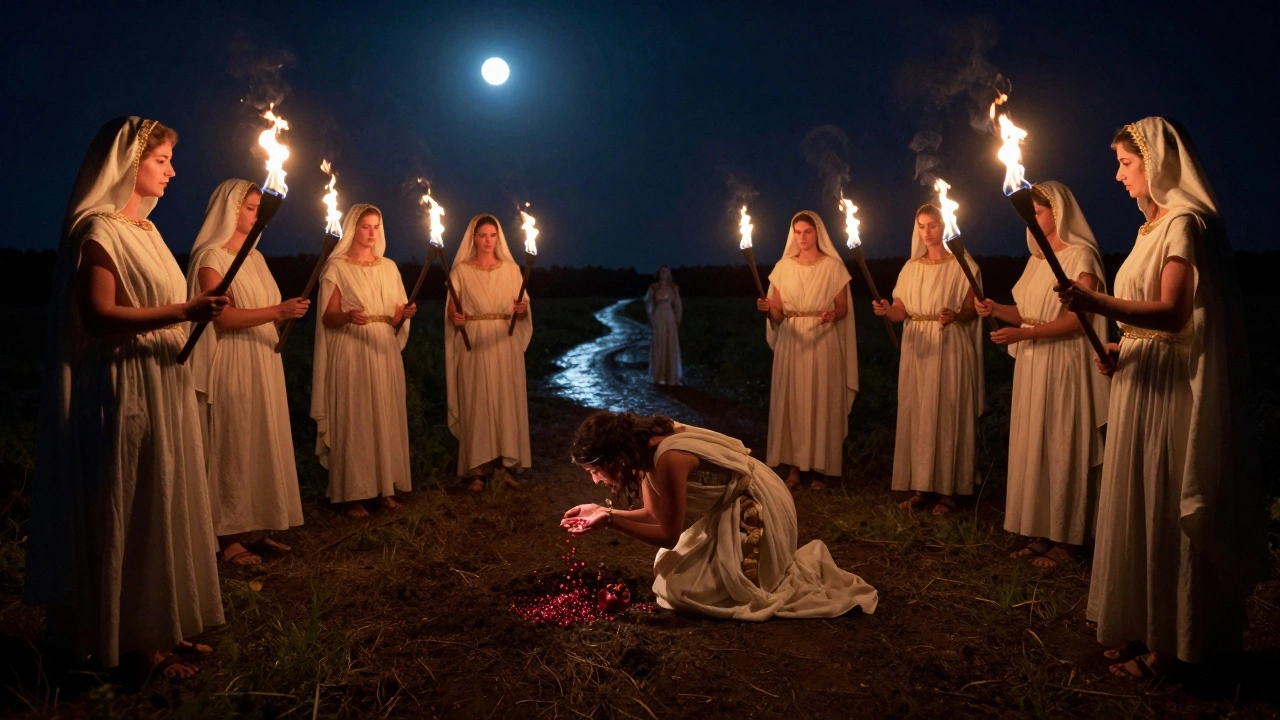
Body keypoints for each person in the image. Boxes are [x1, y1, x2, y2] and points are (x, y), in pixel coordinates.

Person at [1057, 118, 1268, 679]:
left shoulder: (1185, 225)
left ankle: (1176, 644)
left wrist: (1094, 301)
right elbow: (1145, 319)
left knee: (1163, 500)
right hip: (1141, 378)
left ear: (1158, 165)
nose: (1118, 174)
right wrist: (1120, 349)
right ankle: (1144, 624)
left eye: (1127, 163)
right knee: (1138, 501)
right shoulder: (1149, 231)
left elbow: (1176, 313)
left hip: (1171, 390)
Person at [25, 118, 226, 679]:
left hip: (161, 380)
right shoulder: (98, 231)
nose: (172, 170)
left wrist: (191, 317)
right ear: (128, 164)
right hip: (123, 384)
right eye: (161, 160)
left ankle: (160, 624)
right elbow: (99, 316)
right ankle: (134, 645)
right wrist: (185, 312)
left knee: (162, 496)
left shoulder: (150, 233)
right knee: (130, 501)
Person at [562, 411, 878, 619]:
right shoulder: (639, 449)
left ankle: (764, 560)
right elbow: (652, 513)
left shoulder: (668, 458)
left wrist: (612, 521)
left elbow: (668, 535)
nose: (596, 480)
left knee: (683, 591)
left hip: (756, 505)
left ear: (616, 457)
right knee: (667, 571)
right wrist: (604, 511)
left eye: (595, 470)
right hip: (730, 505)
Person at [975, 182, 1108, 567]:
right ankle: (1040, 531)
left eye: (1040, 212)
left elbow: (1077, 320)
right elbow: (1027, 311)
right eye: (1030, 213)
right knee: (1037, 444)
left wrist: (1025, 334)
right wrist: (996, 308)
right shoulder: (1036, 259)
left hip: (1064, 364)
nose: (1033, 219)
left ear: (1060, 213)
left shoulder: (1081, 256)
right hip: (1034, 364)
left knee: (1062, 443)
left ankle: (1067, 538)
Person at [186, 179, 308, 565]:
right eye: (251, 208)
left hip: (262, 361)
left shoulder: (254, 256)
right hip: (234, 361)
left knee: (260, 440)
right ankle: (228, 536)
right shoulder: (212, 257)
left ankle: (257, 529)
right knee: (234, 443)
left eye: (259, 208)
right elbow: (220, 317)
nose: (259, 215)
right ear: (230, 210)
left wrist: (286, 315)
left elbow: (266, 308)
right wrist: (277, 311)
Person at [873, 205, 984, 515]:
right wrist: (886, 309)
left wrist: (955, 315)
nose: (926, 232)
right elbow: (900, 310)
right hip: (918, 346)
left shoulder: (964, 265)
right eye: (921, 226)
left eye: (933, 225)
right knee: (919, 411)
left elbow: (972, 309)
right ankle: (922, 487)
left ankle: (949, 491)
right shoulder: (911, 268)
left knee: (947, 411)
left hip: (948, 344)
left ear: (944, 226)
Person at [312, 204, 416, 517]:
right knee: (355, 417)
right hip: (351, 349)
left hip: (383, 349)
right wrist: (346, 316)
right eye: (365, 226)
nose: (372, 233)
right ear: (353, 229)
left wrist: (403, 316)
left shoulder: (389, 267)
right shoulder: (336, 267)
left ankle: (384, 489)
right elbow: (327, 317)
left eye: (376, 226)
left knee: (384, 414)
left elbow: (395, 320)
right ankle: (353, 494)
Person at [756, 211, 858, 490]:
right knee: (794, 400)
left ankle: (820, 470)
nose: (802, 237)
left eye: (807, 232)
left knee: (820, 399)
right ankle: (794, 468)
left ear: (818, 234)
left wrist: (831, 316)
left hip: (822, 340)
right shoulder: (783, 267)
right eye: (798, 232)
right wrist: (768, 310)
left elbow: (843, 308)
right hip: (792, 341)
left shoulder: (833, 267)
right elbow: (777, 315)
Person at [445, 215, 531, 492]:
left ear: (498, 237)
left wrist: (522, 310)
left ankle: (503, 466)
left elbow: (524, 306)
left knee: (504, 400)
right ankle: (476, 471)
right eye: (482, 235)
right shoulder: (460, 270)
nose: (487, 240)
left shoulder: (510, 269)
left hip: (504, 342)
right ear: (473, 238)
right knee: (477, 401)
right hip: (475, 342)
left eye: (492, 235)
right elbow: (452, 307)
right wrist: (457, 319)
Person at [645, 265, 682, 385]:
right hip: (658, 315)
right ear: (658, 273)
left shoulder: (673, 288)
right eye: (661, 272)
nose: (663, 274)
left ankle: (671, 375)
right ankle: (659, 375)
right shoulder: (654, 287)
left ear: (669, 273)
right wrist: (651, 319)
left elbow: (677, 304)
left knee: (670, 342)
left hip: (669, 316)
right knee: (659, 343)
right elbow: (649, 303)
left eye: (666, 272)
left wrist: (677, 319)